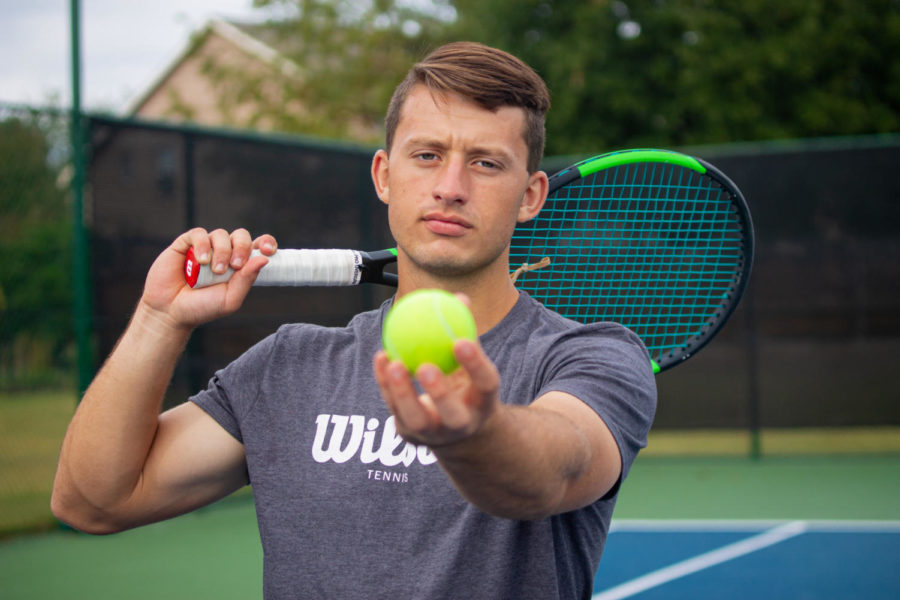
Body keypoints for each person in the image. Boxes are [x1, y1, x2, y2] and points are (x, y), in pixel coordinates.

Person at [52, 42, 656, 599]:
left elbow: (554, 471)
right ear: (384, 176)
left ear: (531, 195)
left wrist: (473, 435)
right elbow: (92, 502)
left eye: (486, 164)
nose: (450, 187)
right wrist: (160, 320)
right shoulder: (288, 366)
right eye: (427, 155)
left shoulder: (593, 358)